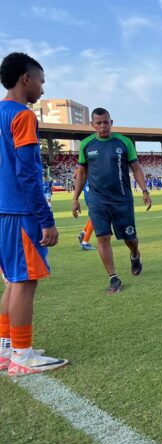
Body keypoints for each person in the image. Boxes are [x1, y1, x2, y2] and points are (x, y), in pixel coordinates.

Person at [0, 52, 68, 376]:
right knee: (25, 283)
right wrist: (46, 220)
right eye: (41, 81)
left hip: (2, 212)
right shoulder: (23, 116)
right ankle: (22, 355)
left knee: (13, 282)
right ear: (25, 79)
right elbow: (27, 174)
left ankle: (6, 347)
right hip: (20, 212)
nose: (42, 89)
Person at [72, 108, 152, 294]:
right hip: (97, 199)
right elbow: (81, 173)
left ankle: (135, 254)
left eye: (106, 122)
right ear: (92, 125)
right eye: (98, 123)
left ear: (111, 122)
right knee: (103, 237)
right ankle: (113, 278)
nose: (103, 126)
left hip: (122, 199)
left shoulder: (124, 142)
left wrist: (145, 191)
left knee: (130, 238)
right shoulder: (86, 145)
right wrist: (75, 198)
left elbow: (136, 168)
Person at [73, 165, 96, 251]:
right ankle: (85, 242)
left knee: (94, 215)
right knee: (96, 216)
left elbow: (74, 176)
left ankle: (84, 233)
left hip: (87, 190)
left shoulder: (84, 161)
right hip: (93, 190)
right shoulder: (94, 160)